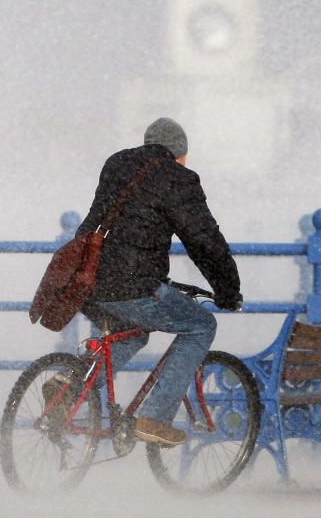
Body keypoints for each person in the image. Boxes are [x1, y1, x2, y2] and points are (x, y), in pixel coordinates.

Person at [57, 117, 242, 446]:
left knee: (131, 333)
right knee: (200, 326)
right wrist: (228, 290)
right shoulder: (177, 178)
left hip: (86, 280)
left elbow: (121, 224)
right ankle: (154, 418)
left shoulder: (117, 163)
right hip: (131, 285)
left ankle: (67, 387)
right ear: (180, 154)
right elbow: (204, 241)